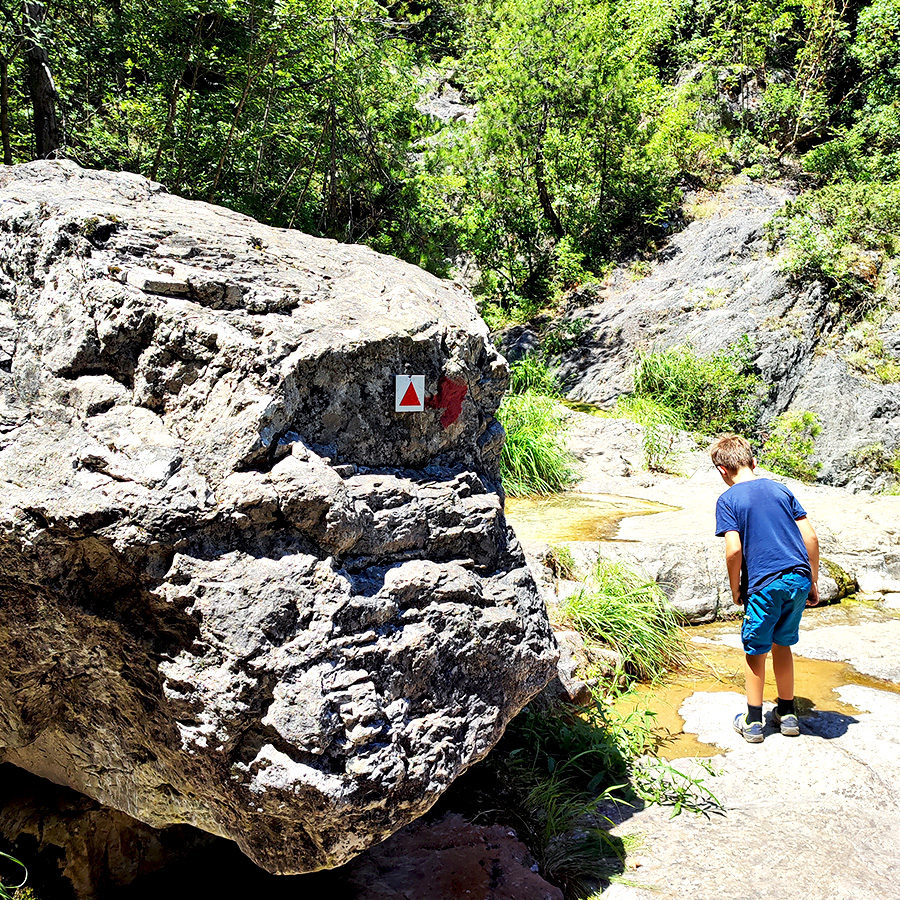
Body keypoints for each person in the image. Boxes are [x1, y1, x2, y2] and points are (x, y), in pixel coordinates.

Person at [710, 434, 820, 743]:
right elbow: (810, 538)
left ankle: (754, 721)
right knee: (782, 644)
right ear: (753, 462)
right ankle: (787, 715)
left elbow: (733, 551)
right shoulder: (781, 490)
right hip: (798, 579)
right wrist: (811, 580)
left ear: (722, 470)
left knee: (755, 651)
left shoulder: (729, 500)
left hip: (765, 584)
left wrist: (736, 588)